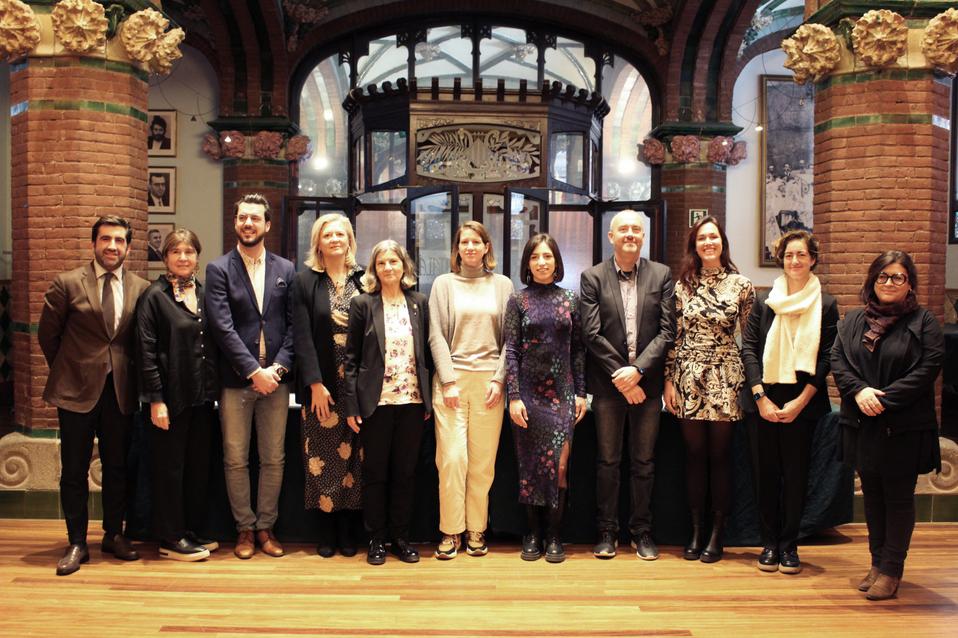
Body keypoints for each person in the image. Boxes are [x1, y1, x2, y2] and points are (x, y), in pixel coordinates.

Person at [38, 216, 150, 576]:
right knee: (74, 469)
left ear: (129, 247)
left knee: (117, 467)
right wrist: (72, 369)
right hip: (75, 391)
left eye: (119, 240)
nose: (112, 246)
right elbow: (48, 337)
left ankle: (113, 535)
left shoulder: (141, 287)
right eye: (105, 239)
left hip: (120, 391)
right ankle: (76, 542)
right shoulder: (67, 283)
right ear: (94, 244)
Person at [831, 250, 943, 600]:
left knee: (897, 497)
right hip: (863, 423)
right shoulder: (853, 321)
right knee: (874, 496)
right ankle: (877, 562)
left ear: (909, 284)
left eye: (898, 277)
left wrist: (884, 398)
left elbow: (928, 368)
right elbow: (838, 359)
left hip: (903, 426)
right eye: (883, 276)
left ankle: (892, 569)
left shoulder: (924, 322)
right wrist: (860, 391)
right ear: (872, 281)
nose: (890, 283)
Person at [741, 230, 838, 575]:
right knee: (764, 474)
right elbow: (749, 348)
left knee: (796, 476)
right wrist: (760, 396)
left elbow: (827, 357)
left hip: (803, 402)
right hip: (762, 400)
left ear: (812, 259)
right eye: (788, 255)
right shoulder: (764, 300)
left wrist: (800, 401)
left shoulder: (825, 304)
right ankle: (769, 543)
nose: (794, 261)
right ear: (780, 260)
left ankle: (789, 545)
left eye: (800, 255)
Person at [580, 209, 675, 560]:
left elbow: (667, 331)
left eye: (636, 229)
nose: (630, 234)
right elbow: (591, 333)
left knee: (644, 462)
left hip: (646, 387)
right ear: (611, 236)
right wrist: (624, 376)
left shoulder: (662, 275)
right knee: (607, 461)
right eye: (623, 230)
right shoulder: (592, 277)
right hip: (608, 388)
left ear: (643, 236)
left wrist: (638, 372)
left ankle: (641, 531)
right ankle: (607, 530)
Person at [206, 193, 296, 560]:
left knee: (274, 458)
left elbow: (294, 327)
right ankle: (243, 528)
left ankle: (265, 527)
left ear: (267, 225)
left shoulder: (286, 270)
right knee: (235, 458)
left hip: (276, 380)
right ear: (235, 222)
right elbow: (221, 327)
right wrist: (252, 371)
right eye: (242, 217)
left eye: (255, 219)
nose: (248, 224)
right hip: (236, 380)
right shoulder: (218, 269)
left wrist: (276, 369)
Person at [664, 216, 753, 563]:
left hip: (725, 376)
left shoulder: (741, 285)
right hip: (687, 374)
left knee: (720, 457)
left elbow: (750, 339)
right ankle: (696, 530)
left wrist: (752, 385)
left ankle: (718, 533)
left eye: (713, 237)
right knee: (694, 456)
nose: (708, 243)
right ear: (694, 245)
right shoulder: (681, 286)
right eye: (702, 238)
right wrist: (668, 381)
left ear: (722, 242)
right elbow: (675, 337)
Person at [429, 221, 514, 559]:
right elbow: (435, 333)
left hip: (490, 384)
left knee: (482, 464)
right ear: (457, 249)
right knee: (451, 460)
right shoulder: (443, 284)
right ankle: (451, 531)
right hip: (451, 383)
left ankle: (476, 529)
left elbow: (511, 339)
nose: (470, 247)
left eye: (476, 242)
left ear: (486, 247)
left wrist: (499, 379)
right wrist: (448, 380)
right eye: (464, 242)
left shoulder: (503, 285)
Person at [343, 240, 431, 565]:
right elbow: (351, 360)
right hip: (375, 404)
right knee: (376, 474)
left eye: (394, 262)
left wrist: (429, 401)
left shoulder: (419, 302)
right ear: (374, 269)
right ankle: (376, 538)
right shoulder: (363, 304)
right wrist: (351, 406)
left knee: (405, 474)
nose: (388, 268)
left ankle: (401, 537)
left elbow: (428, 355)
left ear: (403, 267)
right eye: (382, 263)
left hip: (412, 402)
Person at [136, 228, 218, 561]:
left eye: (189, 252)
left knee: (196, 468)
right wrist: (156, 400)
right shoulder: (154, 296)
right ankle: (169, 538)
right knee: (169, 469)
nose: (183, 258)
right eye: (175, 252)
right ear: (165, 257)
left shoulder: (203, 292)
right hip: (169, 400)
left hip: (201, 398)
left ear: (198, 256)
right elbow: (146, 351)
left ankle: (188, 530)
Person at [504, 234, 586, 563]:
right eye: (535, 257)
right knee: (530, 468)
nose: (541, 262)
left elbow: (578, 350)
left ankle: (554, 534)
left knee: (560, 467)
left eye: (547, 256)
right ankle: (532, 533)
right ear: (527, 263)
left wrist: (581, 392)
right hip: (527, 394)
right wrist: (513, 396)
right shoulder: (517, 301)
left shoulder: (571, 299)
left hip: (563, 394)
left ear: (556, 262)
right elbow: (510, 350)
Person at [291, 214, 364, 557]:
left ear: (350, 239)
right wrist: (315, 384)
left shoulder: (365, 280)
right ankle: (327, 531)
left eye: (341, 234)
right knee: (321, 455)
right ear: (317, 242)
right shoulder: (304, 281)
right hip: (322, 384)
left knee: (356, 457)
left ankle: (349, 530)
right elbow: (301, 337)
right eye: (328, 234)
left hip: (357, 385)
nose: (335, 239)